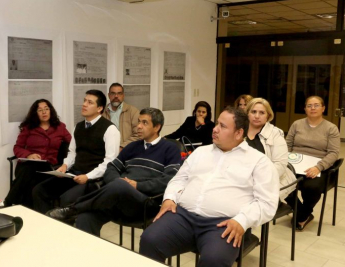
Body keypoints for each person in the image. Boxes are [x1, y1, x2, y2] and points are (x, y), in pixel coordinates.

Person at [139, 106, 279, 266]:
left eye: (222, 126)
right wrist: (169, 198)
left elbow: (266, 203)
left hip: (223, 224)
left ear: (239, 133)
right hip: (183, 216)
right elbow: (179, 180)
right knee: (149, 240)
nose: (215, 129)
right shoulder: (201, 152)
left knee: (214, 260)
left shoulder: (259, 162)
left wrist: (242, 220)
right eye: (217, 123)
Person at [46, 108, 181, 236]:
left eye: (144, 123)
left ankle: (72, 209)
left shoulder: (170, 148)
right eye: (139, 121)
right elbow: (112, 167)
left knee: (120, 185)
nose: (139, 126)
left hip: (145, 203)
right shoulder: (132, 146)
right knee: (85, 218)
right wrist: (118, 183)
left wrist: (136, 186)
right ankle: (88, 255)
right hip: (117, 198)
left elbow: (168, 180)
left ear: (157, 127)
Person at [32, 90, 120, 214]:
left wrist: (88, 176)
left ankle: (65, 228)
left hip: (93, 179)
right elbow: (72, 153)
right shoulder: (78, 127)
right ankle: (48, 226)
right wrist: (64, 166)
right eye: (84, 101)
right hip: (74, 174)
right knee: (39, 190)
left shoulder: (110, 129)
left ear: (100, 108)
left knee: (66, 199)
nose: (84, 104)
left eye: (90, 102)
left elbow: (110, 162)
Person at [4, 99, 71, 209]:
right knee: (31, 169)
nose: (44, 112)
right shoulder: (28, 128)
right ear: (35, 113)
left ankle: (10, 202)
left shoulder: (60, 127)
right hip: (27, 166)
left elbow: (73, 144)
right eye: (40, 110)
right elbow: (18, 147)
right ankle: (28, 210)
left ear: (51, 111)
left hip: (49, 167)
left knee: (32, 178)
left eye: (46, 109)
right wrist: (29, 155)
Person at [286, 96, 340, 231]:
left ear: (323, 108)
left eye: (316, 105)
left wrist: (318, 167)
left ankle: (301, 214)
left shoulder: (331, 128)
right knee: (280, 182)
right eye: (309, 105)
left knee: (312, 187)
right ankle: (303, 214)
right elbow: (286, 145)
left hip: (317, 165)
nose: (313, 108)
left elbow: (333, 153)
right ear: (305, 109)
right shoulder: (297, 124)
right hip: (294, 163)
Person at [246, 98, 296, 201]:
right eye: (253, 112)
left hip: (268, 180)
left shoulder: (276, 134)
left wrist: (256, 180)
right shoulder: (238, 131)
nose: (256, 116)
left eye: (262, 113)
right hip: (242, 179)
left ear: (268, 116)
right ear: (247, 113)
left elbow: (280, 165)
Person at [102, 83, 140, 151]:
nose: (116, 96)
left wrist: (122, 147)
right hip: (106, 151)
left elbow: (138, 134)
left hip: (126, 151)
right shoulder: (102, 112)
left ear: (123, 95)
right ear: (109, 95)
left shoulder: (133, 112)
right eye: (113, 93)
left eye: (119, 93)